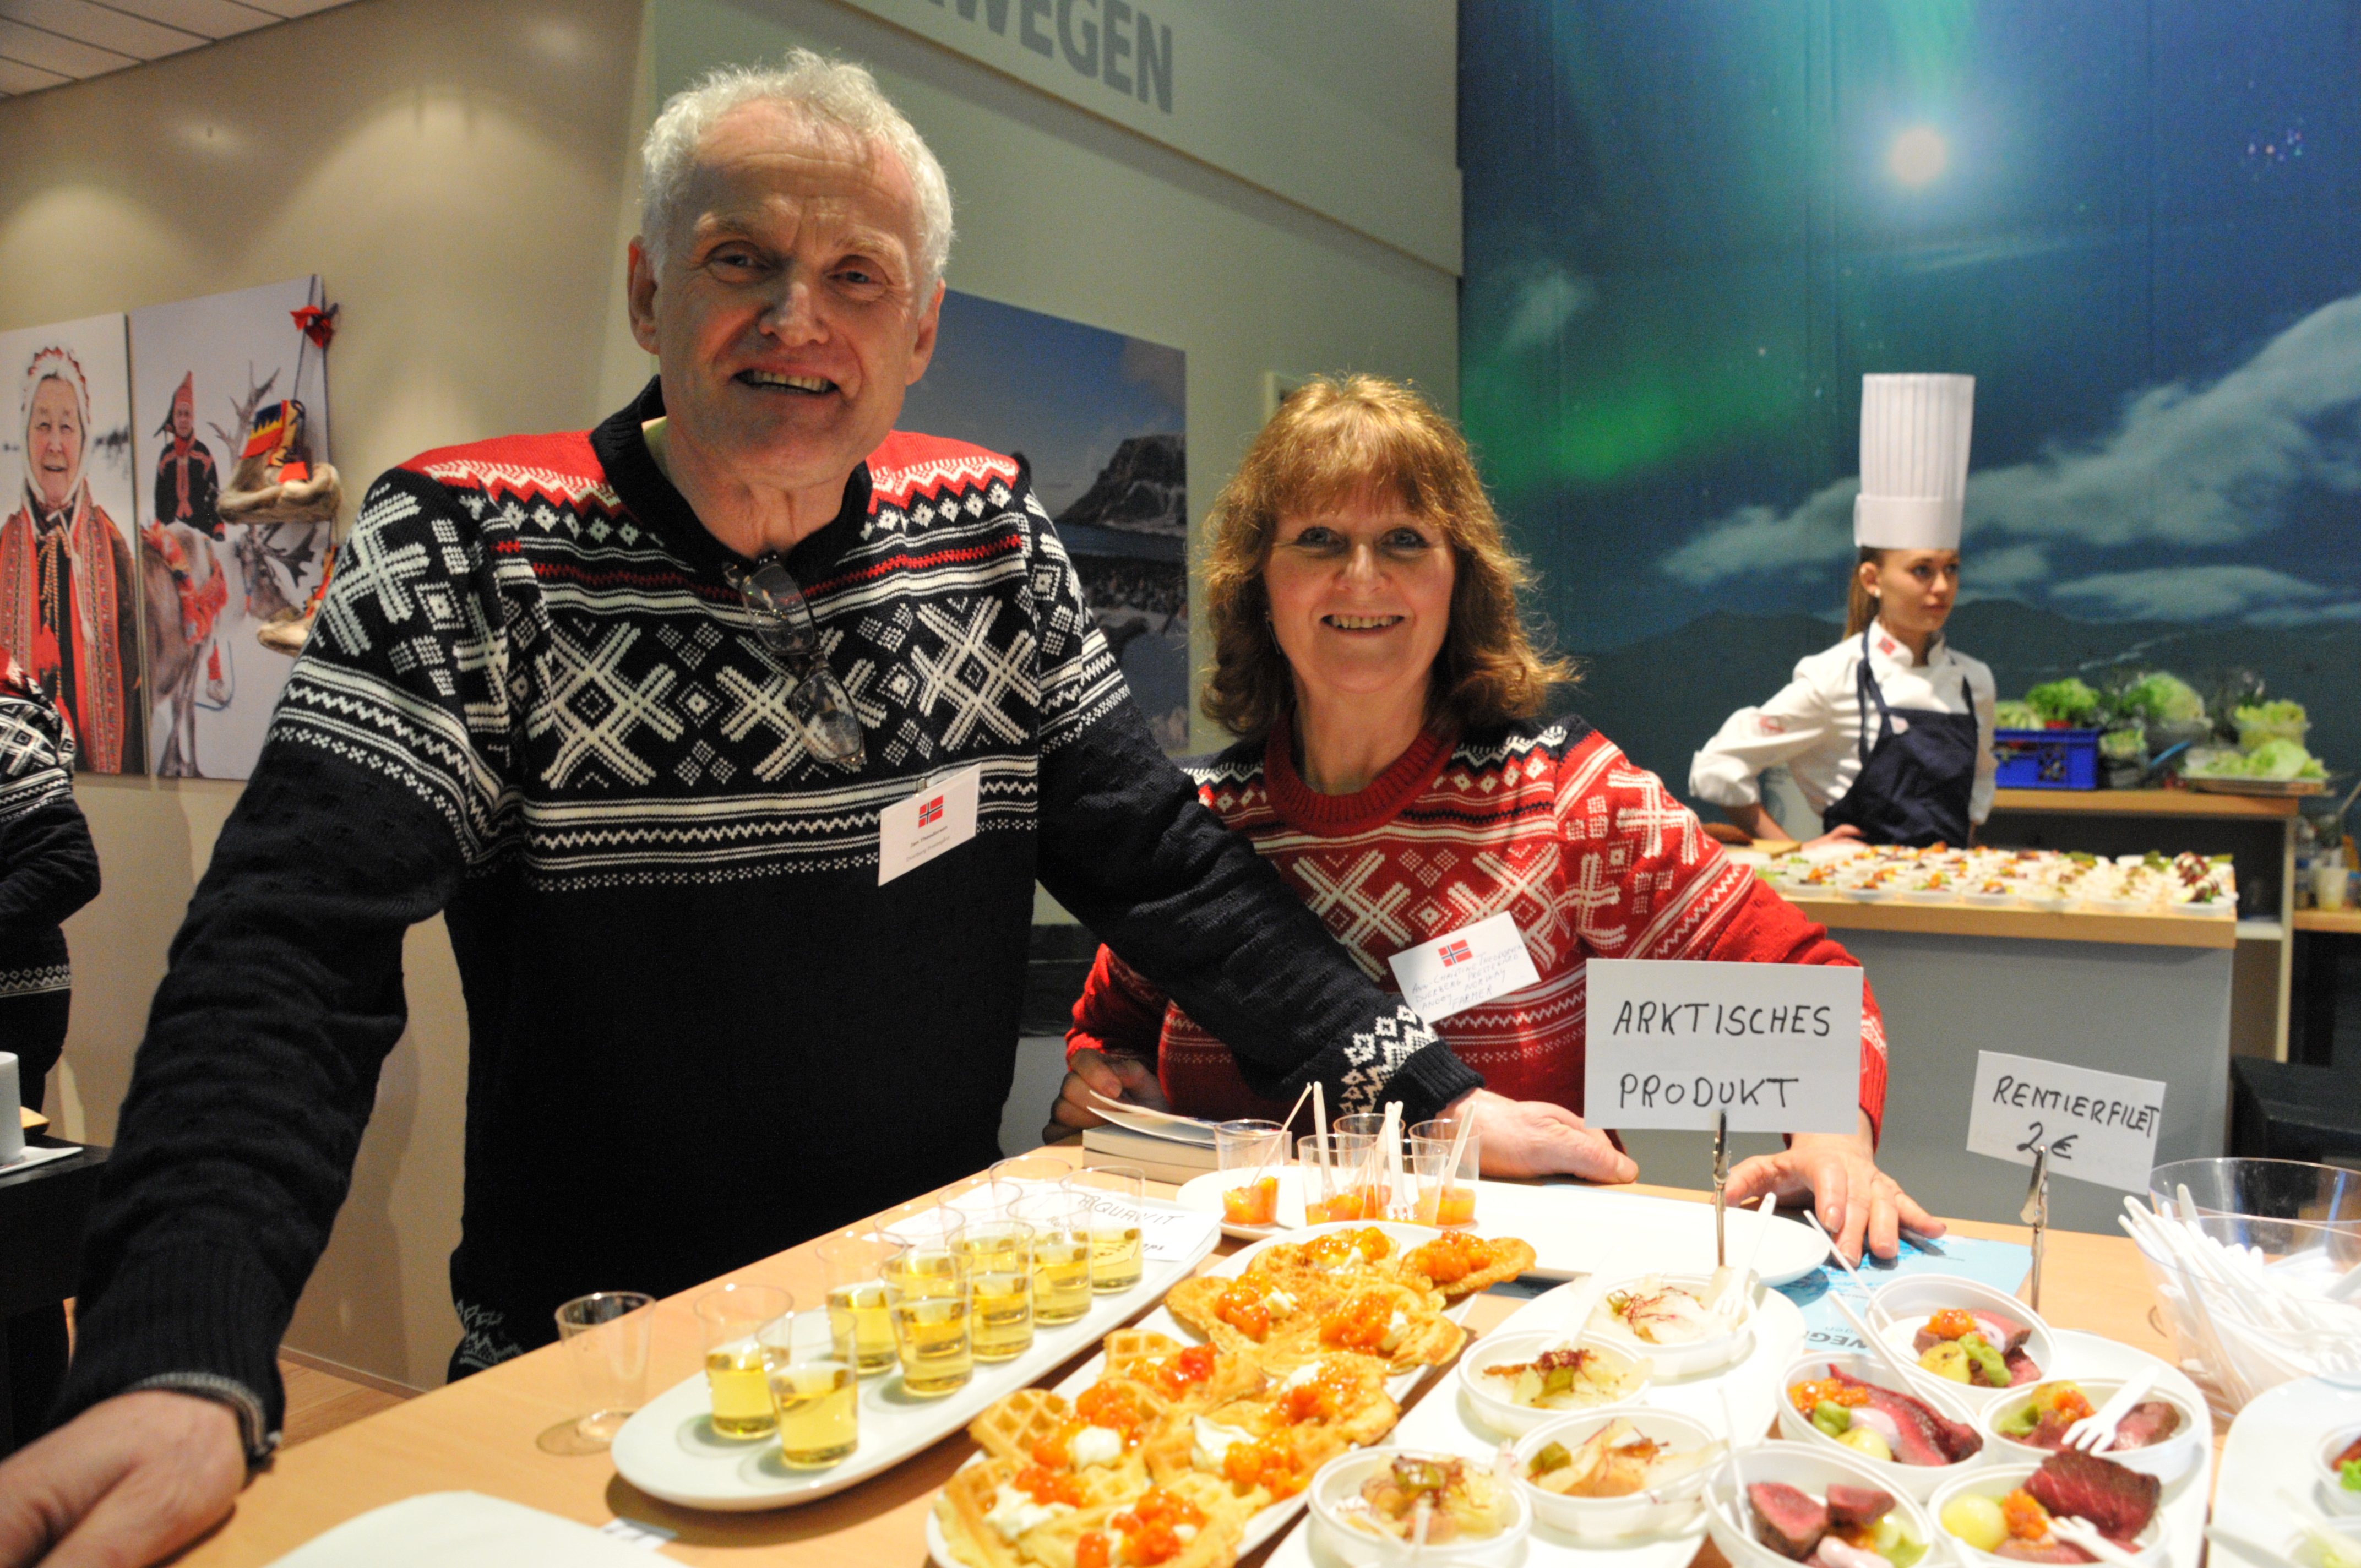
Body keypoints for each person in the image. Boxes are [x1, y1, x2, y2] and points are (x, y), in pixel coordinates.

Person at [0, 55, 1477, 1567]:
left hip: (932, 1345)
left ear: (920, 332)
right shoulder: (461, 550)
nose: (796, 320)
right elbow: (285, 965)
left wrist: (1434, 1093)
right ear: (648, 295)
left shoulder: (991, 537)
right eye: (740, 262)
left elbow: (1162, 866)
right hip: (603, 1382)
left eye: (855, 276)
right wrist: (175, 1350)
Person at [1053, 375, 1941, 1263]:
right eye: (1318, 539)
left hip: (1518, 1347)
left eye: (1403, 539)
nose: (1361, 576)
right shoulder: (1198, 832)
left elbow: (1811, 987)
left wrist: (1831, 1134)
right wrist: (1111, 1085)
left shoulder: (1567, 799)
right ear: (1260, 583)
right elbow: (1109, 1034)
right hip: (1252, 1342)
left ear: (1459, 578)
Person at [1690, 375, 1995, 849]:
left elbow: (1976, 793)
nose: (1942, 587)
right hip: (1860, 907)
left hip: (1952, 907)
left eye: (1951, 568)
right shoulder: (1833, 679)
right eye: (1921, 570)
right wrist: (1795, 851)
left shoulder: (1974, 683)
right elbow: (1717, 768)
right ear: (1873, 580)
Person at [0, 647, 101, 1460]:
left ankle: (31, 1450)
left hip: (8, 1013)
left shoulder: (4, 719)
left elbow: (69, 866)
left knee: (15, 1256)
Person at [1, 347, 145, 774]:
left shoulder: (112, 546)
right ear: (26, 437)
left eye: (67, 426)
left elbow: (134, 679)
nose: (55, 443)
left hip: (105, 785)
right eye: (42, 425)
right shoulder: (3, 546)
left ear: (83, 438)